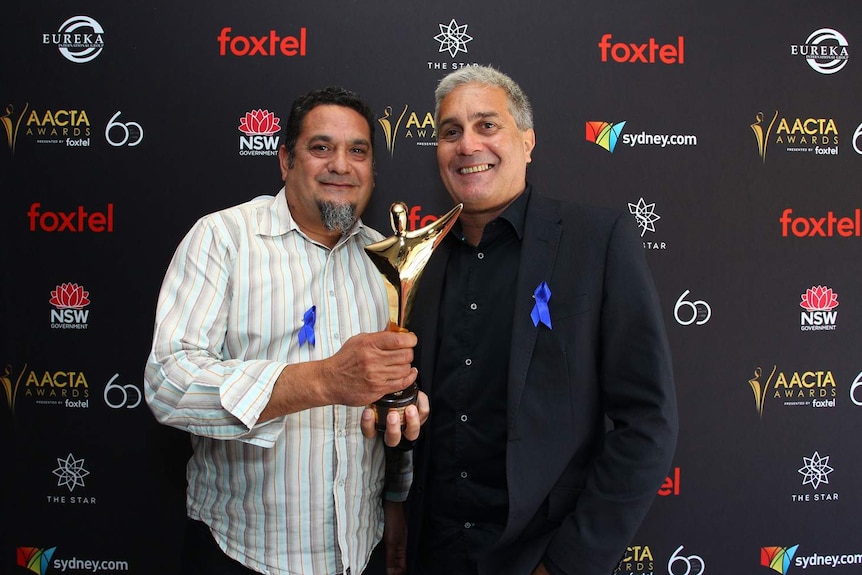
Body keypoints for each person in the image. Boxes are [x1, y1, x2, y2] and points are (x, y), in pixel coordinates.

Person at [401, 66, 678, 575]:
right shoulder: (418, 258)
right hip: (432, 552)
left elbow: (648, 422)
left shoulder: (597, 240)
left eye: (487, 125)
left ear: (527, 142)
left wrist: (567, 563)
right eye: (450, 132)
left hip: (538, 555)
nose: (467, 145)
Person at [144, 86, 428, 575]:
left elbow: (390, 389)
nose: (341, 165)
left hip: (359, 552)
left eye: (357, 151)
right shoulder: (223, 238)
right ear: (285, 161)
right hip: (243, 554)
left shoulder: (386, 256)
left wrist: (396, 487)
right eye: (321, 148)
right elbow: (168, 382)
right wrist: (320, 381)